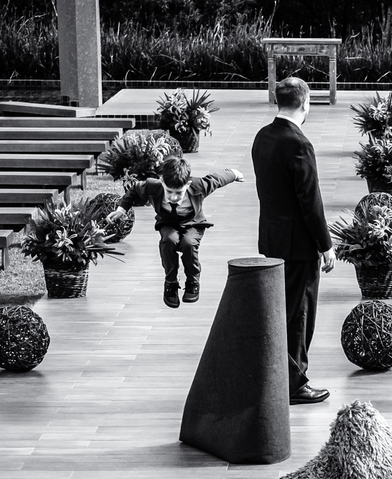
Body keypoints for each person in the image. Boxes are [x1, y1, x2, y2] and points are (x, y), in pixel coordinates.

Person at [251, 76, 336, 406]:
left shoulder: (263, 136)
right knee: (299, 313)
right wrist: (325, 245)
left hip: (272, 237)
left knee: (281, 310)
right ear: (306, 102)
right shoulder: (298, 143)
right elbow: (309, 199)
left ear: (277, 100)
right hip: (298, 244)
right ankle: (294, 383)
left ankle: (277, 375)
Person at [106, 155, 244, 308]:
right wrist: (121, 209)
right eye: (169, 191)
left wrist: (234, 174)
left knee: (188, 244)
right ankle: (171, 283)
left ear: (188, 184)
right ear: (162, 182)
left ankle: (192, 281)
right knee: (169, 241)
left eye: (178, 193)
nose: (173, 197)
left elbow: (217, 179)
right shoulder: (153, 186)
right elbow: (134, 189)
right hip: (168, 223)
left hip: (193, 224)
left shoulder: (198, 186)